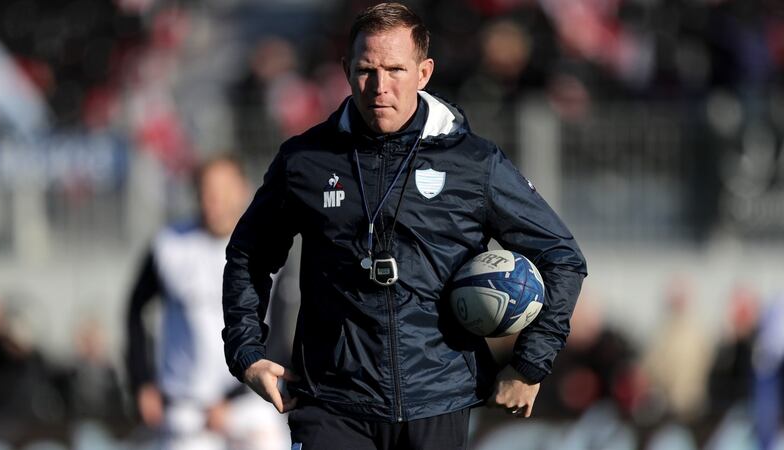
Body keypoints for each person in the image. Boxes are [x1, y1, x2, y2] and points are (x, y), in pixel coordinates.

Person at [222, 3, 587, 449]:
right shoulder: (305, 161)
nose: (380, 87)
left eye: (395, 69)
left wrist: (529, 365)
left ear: (424, 72)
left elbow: (562, 257)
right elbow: (248, 256)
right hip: (332, 402)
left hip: (437, 401)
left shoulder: (473, 163)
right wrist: (247, 354)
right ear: (345, 69)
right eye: (365, 70)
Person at [126, 156, 290, 450]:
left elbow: (280, 332)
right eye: (206, 191)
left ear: (242, 190)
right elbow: (135, 309)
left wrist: (234, 398)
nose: (212, 200)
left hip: (252, 402)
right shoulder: (170, 246)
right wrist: (141, 381)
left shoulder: (270, 246)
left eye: (222, 191)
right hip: (188, 410)